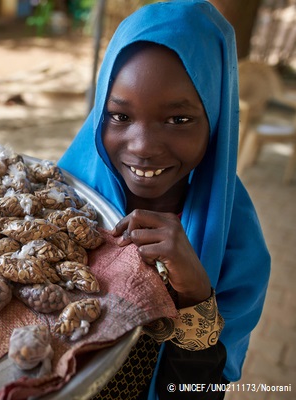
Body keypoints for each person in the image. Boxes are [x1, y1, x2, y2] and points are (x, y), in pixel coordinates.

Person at [58, 1, 271, 399]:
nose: (143, 148)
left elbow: (196, 391)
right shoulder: (62, 201)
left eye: (178, 120)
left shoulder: (236, 248)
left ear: (217, 119)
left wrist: (195, 296)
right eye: (120, 116)